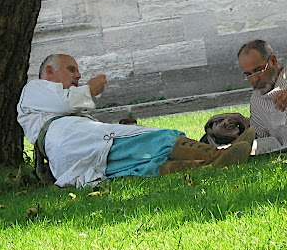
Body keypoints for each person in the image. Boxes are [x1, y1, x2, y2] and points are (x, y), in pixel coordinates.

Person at [17, 53, 254, 188]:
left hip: (72, 151)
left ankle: (210, 166)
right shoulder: (35, 89)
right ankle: (218, 155)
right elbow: (66, 102)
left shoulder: (51, 107)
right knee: (159, 138)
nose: (78, 75)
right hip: (74, 141)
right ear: (49, 71)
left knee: (137, 165)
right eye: (71, 69)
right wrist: (90, 88)